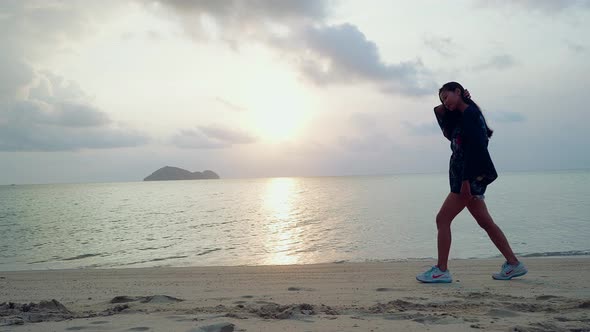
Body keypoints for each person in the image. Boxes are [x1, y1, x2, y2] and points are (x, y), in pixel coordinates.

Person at [416, 82, 527, 283]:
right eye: (442, 99)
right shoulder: (464, 113)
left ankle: (441, 270)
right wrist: (461, 99)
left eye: (446, 96)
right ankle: (513, 264)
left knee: (442, 219)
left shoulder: (470, 115)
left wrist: (466, 182)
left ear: (457, 91)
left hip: (467, 178)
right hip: (468, 177)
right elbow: (438, 111)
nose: (444, 102)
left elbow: (474, 149)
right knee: (485, 222)